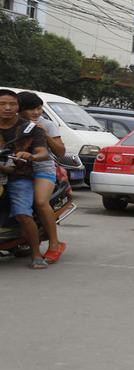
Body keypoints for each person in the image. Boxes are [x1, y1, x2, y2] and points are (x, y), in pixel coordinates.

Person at [0, 89, 51, 269]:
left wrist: (32, 157)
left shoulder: (30, 128)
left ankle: (36, 254)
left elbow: (42, 152)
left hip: (18, 175)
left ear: (18, 107)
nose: (7, 108)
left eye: (12, 104)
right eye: (2, 104)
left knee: (22, 212)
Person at [16, 92, 67, 263]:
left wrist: (44, 135)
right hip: (15, 169)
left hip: (42, 169)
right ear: (20, 110)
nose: (37, 113)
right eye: (31, 109)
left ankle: (55, 243)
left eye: (39, 109)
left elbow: (60, 152)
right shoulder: (14, 124)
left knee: (40, 202)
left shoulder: (48, 124)